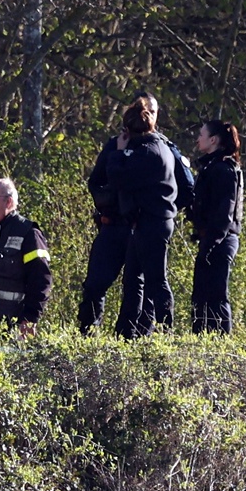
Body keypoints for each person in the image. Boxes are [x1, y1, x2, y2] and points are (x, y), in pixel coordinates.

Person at [109, 96, 189, 337]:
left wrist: (120, 152)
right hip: (153, 220)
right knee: (134, 278)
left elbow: (118, 178)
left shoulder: (146, 152)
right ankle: (130, 332)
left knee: (155, 280)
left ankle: (165, 332)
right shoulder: (161, 147)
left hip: (152, 221)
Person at [77, 106, 142, 333]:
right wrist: (108, 201)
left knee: (135, 288)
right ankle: (88, 333)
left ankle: (129, 337)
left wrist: (162, 215)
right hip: (112, 225)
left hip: (140, 229)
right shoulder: (114, 145)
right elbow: (95, 182)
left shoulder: (157, 148)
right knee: (95, 284)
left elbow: (181, 187)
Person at [0, 175, 52, 338]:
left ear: (9, 202)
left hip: (8, 328)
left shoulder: (27, 233)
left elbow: (41, 279)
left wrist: (30, 319)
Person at [188, 118, 246, 332]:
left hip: (220, 239)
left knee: (216, 295)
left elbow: (225, 212)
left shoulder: (223, 170)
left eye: (201, 135)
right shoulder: (213, 167)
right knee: (201, 296)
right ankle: (200, 341)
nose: (197, 139)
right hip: (213, 238)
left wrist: (210, 243)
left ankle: (219, 345)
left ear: (213, 140)